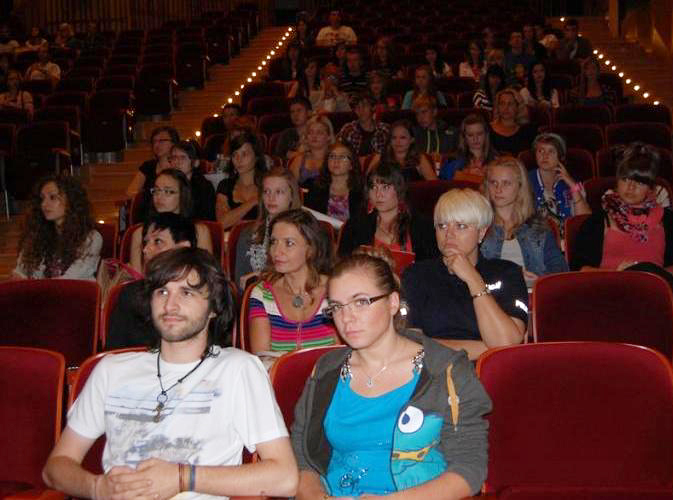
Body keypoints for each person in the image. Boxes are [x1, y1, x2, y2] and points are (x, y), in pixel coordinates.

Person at [43, 247, 299, 499]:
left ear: (214, 307)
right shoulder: (111, 370)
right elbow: (55, 467)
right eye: (162, 291)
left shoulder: (238, 369)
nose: (170, 305)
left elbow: (284, 478)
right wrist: (97, 488)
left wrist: (182, 478)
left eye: (187, 292)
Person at [291, 248, 492, 499]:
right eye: (337, 307)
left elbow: (469, 469)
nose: (347, 318)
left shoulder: (445, 370)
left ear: (393, 303)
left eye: (361, 302)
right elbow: (302, 455)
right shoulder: (326, 371)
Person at [402, 189, 528, 360]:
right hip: (434, 371)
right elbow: (411, 346)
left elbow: (506, 343)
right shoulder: (416, 275)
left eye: (461, 226)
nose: (449, 234)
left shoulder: (506, 273)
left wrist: (473, 278)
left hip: (489, 371)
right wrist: (487, 349)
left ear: (481, 232)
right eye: (442, 226)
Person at [570, 143, 673, 276]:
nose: (631, 187)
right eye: (625, 179)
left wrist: (652, 276)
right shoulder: (597, 221)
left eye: (640, 182)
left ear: (650, 188)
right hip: (609, 285)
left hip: (657, 286)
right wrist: (616, 274)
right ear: (617, 182)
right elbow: (580, 270)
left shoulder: (668, 220)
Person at [248, 209, 338, 355]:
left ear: (311, 249)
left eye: (289, 243)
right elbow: (262, 357)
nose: (277, 251)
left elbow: (344, 354)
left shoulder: (335, 290)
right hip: (278, 370)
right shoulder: (262, 294)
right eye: (274, 242)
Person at [106, 213, 198, 350]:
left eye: (157, 242)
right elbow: (114, 353)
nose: (145, 250)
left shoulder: (202, 295)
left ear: (183, 248)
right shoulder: (130, 295)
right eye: (146, 242)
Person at [481, 157, 568, 286]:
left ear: (520, 186)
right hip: (490, 293)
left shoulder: (538, 226)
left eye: (506, 183)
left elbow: (560, 269)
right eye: (493, 182)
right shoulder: (478, 225)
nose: (498, 189)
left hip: (531, 292)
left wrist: (539, 280)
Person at [338, 162, 438, 259]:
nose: (378, 194)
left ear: (400, 189)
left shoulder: (423, 226)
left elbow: (432, 265)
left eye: (385, 187)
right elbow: (344, 264)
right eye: (373, 187)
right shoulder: (355, 226)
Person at [12, 176, 102, 281]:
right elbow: (21, 271)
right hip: (40, 290)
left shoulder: (91, 238)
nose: (44, 204)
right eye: (42, 198)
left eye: (52, 197)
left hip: (75, 290)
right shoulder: (36, 236)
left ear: (70, 201)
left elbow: (72, 278)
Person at [129, 168, 213, 272]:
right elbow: (137, 276)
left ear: (183, 195)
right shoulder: (140, 233)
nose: (159, 196)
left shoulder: (199, 231)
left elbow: (206, 273)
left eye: (168, 191)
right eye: (156, 190)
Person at [235, 166, 302, 290]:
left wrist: (267, 276)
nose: (271, 198)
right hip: (258, 296)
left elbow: (309, 275)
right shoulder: (248, 234)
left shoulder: (305, 231)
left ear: (292, 196)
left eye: (279, 192)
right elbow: (240, 283)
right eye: (266, 192)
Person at [528, 133, 591, 235]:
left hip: (567, 238)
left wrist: (572, 186)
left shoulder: (573, 182)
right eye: (540, 151)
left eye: (551, 151)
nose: (545, 156)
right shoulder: (525, 180)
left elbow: (584, 221)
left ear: (561, 157)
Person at [304, 142, 366, 223]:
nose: (336, 161)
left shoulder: (362, 189)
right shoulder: (314, 186)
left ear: (351, 164)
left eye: (342, 157)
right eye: (332, 156)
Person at [215, 132, 266, 230]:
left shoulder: (268, 184)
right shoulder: (225, 185)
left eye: (244, 154)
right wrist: (253, 201)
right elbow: (222, 223)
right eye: (235, 155)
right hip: (230, 238)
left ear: (256, 157)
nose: (238, 159)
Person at [367, 120, 437, 182]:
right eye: (394, 137)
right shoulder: (380, 157)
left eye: (402, 137)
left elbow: (434, 185)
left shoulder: (419, 158)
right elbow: (367, 182)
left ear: (412, 140)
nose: (398, 141)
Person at [125, 126, 180, 200]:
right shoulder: (148, 166)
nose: (157, 145)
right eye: (154, 141)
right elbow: (131, 191)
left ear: (173, 143)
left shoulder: (179, 165)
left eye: (162, 141)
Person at [439, 113, 497, 182]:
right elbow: (444, 184)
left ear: (486, 135)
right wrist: (466, 175)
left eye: (479, 134)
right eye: (470, 135)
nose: (475, 139)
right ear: (464, 137)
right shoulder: (453, 161)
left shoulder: (497, 160)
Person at [168, 140, 216, 221]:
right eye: (174, 157)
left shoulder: (204, 187)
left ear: (195, 163)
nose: (177, 162)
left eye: (182, 158)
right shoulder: (164, 183)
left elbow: (206, 218)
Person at [336, 92, 390, 158]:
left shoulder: (384, 129)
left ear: (373, 107)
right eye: (357, 107)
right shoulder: (348, 129)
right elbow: (336, 150)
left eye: (364, 106)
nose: (361, 110)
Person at [289, 114, 335, 186]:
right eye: (310, 132)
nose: (314, 136)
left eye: (319, 132)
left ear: (329, 136)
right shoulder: (298, 161)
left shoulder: (335, 160)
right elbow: (291, 188)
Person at [489, 88, 537, 156]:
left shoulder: (528, 130)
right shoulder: (487, 130)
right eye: (502, 103)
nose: (506, 107)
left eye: (510, 104)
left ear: (518, 107)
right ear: (497, 106)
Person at [411, 95, 458, 159]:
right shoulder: (413, 133)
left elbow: (460, 154)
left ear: (434, 112)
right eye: (417, 114)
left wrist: (442, 156)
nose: (420, 118)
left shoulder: (452, 132)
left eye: (424, 112)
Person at [274, 96, 312, 161]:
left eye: (299, 110)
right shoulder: (286, 134)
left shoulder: (315, 132)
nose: (295, 114)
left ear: (309, 113)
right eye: (292, 112)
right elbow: (278, 155)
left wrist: (293, 154)